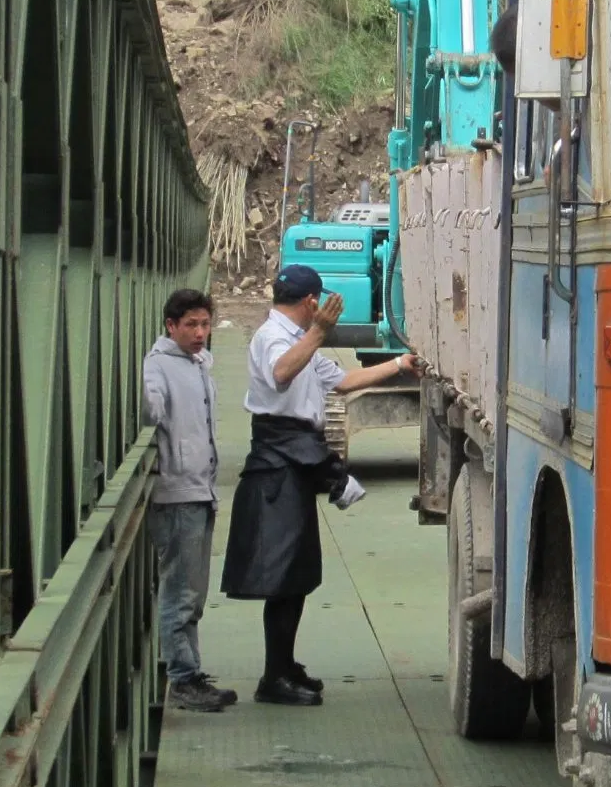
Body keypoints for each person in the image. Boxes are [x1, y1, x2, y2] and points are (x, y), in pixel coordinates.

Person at [221, 264, 420, 707]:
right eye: (319, 303)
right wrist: (320, 333)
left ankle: (284, 666)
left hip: (297, 454)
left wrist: (397, 366)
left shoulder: (299, 340)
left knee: (297, 572)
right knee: (283, 576)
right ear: (312, 302)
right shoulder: (273, 338)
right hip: (278, 457)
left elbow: (344, 381)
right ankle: (273, 677)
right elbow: (281, 374)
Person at [143, 288, 237, 713]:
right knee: (181, 589)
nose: (200, 333)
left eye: (205, 324)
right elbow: (150, 410)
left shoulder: (198, 364)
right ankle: (182, 678)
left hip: (200, 488)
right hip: (178, 491)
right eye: (191, 326)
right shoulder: (157, 365)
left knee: (193, 590)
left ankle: (190, 671)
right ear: (171, 326)